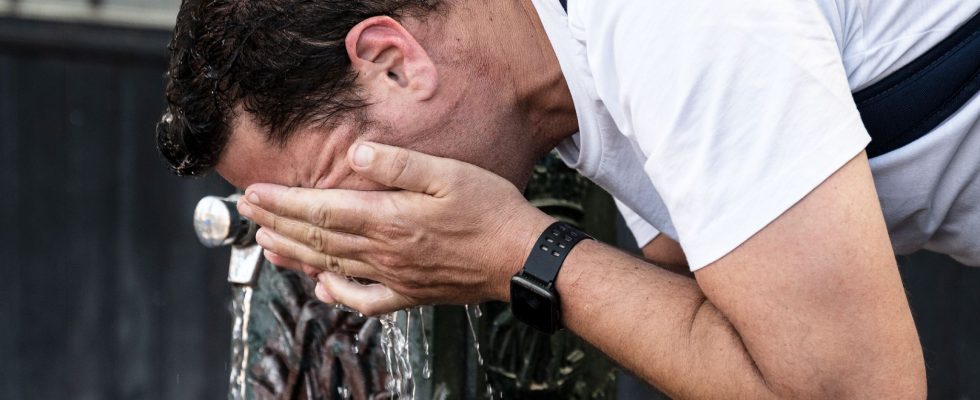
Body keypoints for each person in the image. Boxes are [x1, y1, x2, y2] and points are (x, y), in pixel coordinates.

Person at [157, 0, 980, 397]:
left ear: (392, 60)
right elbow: (718, 322)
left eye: (321, 190)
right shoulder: (568, 80)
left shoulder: (665, 20)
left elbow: (855, 391)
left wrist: (520, 253)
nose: (334, 233)